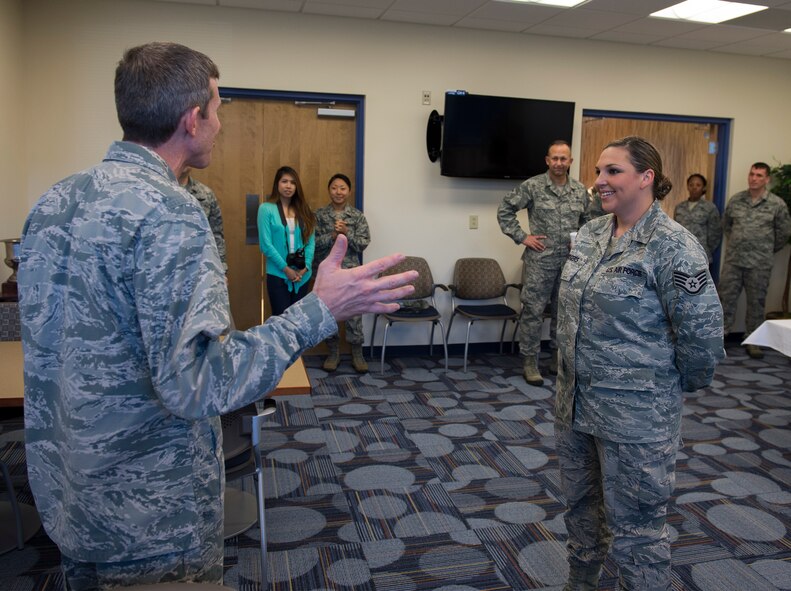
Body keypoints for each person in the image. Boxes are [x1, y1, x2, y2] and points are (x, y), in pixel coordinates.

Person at [16, 42, 417, 591]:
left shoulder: (54, 201)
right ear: (192, 119)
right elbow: (200, 382)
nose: (221, 123)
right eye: (218, 108)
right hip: (149, 517)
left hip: (69, 497)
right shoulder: (171, 213)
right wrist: (320, 311)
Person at [555, 136, 724, 591]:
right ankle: (581, 583)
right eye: (597, 172)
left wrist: (665, 390)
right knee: (581, 511)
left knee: (638, 531)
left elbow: (703, 335)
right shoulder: (591, 233)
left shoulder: (673, 245)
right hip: (574, 404)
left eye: (612, 172)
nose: (599, 182)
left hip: (636, 417)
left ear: (646, 177)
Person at [497, 140, 592, 386]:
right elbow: (505, 209)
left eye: (564, 159)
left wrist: (580, 241)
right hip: (540, 261)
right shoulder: (533, 186)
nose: (559, 163)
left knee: (564, 313)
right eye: (555, 158)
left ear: (570, 161)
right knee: (533, 312)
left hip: (570, 263)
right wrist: (522, 237)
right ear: (547, 160)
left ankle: (556, 360)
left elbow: (590, 223)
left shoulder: (580, 191)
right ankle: (530, 362)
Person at [719, 162, 791, 359]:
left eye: (759, 175)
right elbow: (727, 226)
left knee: (756, 303)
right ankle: (720, 338)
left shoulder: (777, 204)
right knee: (725, 300)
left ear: (767, 179)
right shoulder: (736, 200)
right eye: (752, 174)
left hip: (760, 263)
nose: (754, 178)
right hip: (734, 261)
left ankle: (753, 340)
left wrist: (764, 249)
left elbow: (783, 234)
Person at [313, 173, 371, 372]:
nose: (338, 192)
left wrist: (347, 233)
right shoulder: (319, 216)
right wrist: (331, 236)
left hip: (351, 272)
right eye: (334, 188)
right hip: (328, 275)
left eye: (342, 188)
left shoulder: (357, 216)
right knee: (329, 313)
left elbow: (363, 244)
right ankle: (333, 353)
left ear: (349, 191)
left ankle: (357, 353)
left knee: (354, 311)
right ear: (329, 190)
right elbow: (312, 245)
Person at [258, 166, 315, 316]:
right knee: (281, 321)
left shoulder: (305, 210)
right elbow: (266, 245)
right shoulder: (266, 209)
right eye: (284, 181)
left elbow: (310, 241)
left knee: (299, 322)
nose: (288, 186)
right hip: (278, 274)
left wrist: (306, 266)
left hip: (302, 276)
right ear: (277, 184)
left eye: (292, 182)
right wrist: (286, 269)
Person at [179, 167, 228, 273]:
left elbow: (216, 236)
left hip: (200, 270)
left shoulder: (205, 194)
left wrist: (221, 269)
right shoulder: (158, 191)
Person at [673, 173, 722, 267]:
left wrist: (705, 248)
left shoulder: (710, 207)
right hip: (681, 255)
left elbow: (715, 234)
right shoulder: (679, 207)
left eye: (698, 185)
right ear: (687, 187)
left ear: (703, 188)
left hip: (701, 256)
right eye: (691, 185)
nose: (694, 187)